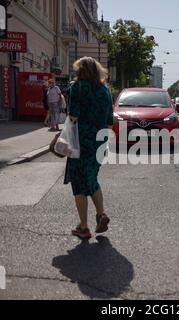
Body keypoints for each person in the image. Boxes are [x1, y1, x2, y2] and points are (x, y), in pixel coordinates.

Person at [64, 57, 113, 240]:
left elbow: (74, 115)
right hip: (100, 140)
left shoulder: (78, 87)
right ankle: (100, 215)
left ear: (81, 70)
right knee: (92, 177)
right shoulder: (105, 90)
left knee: (79, 183)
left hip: (80, 140)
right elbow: (110, 120)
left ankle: (84, 227)